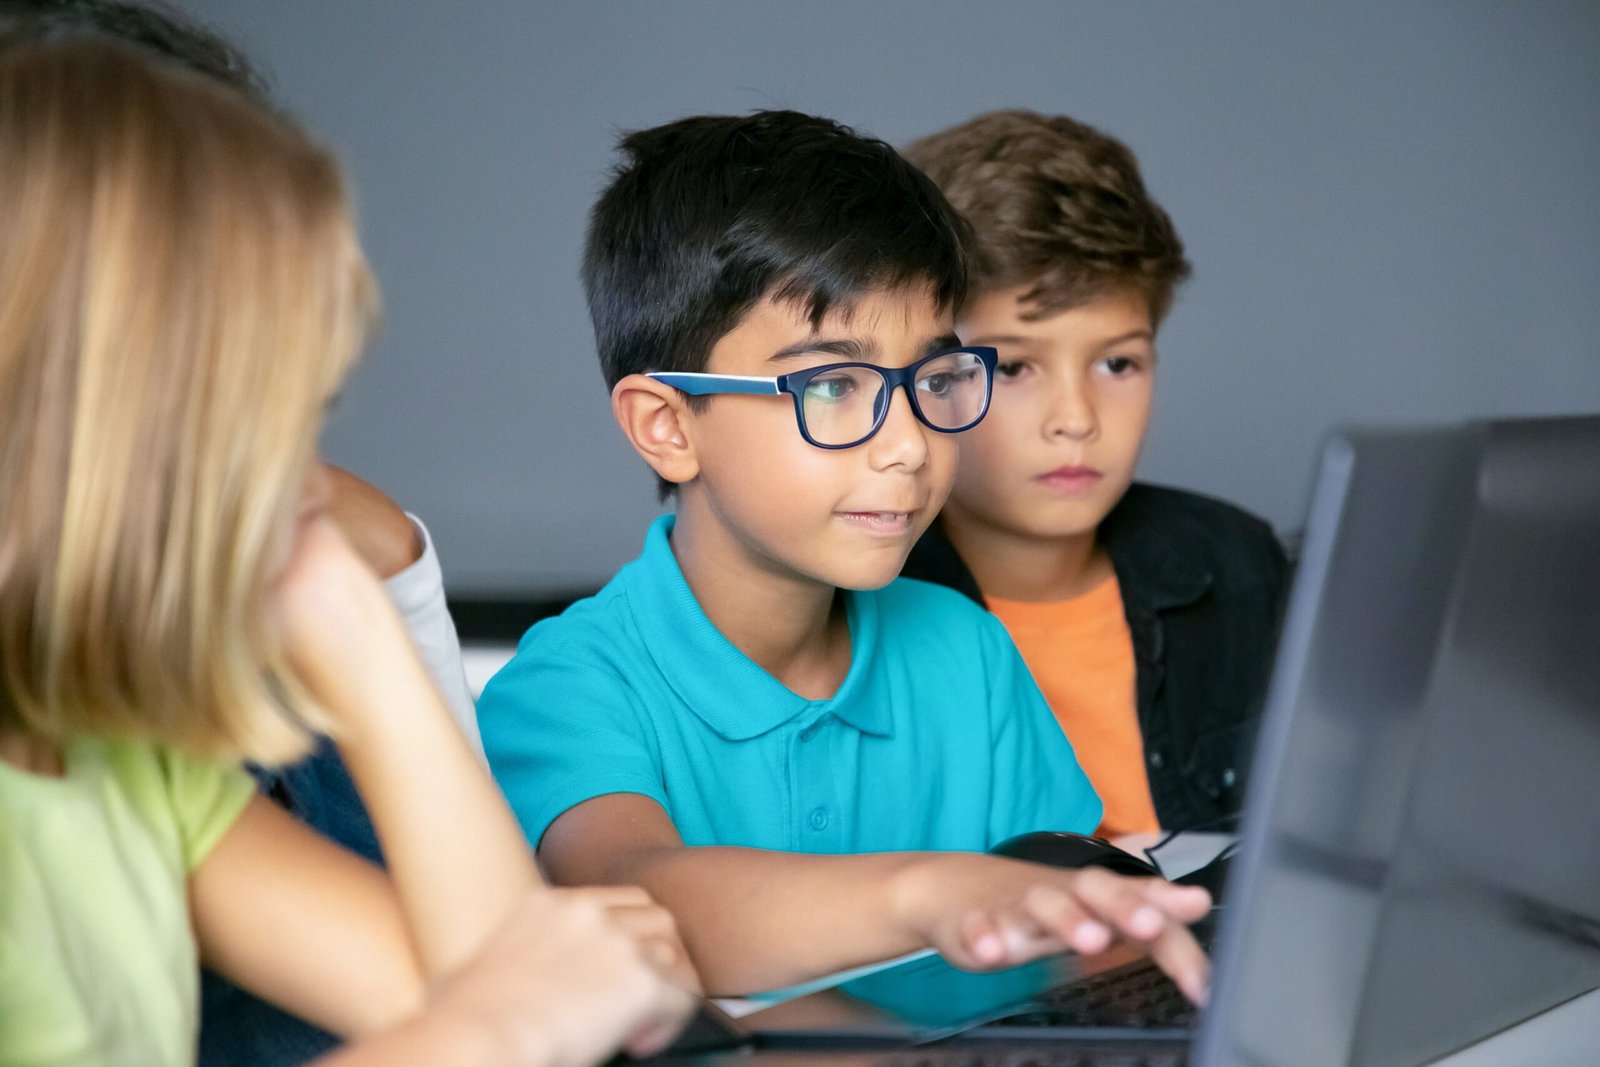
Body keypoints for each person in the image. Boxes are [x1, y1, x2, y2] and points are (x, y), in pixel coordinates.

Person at [0, 32, 690, 1065]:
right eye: (267, 415)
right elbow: (508, 1013)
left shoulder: (134, 766)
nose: (306, 478)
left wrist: (366, 640)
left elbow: (527, 1003)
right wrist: (502, 1020)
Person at [477, 110, 1213, 1004]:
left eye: (934, 379)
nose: (906, 443)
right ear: (668, 426)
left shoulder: (965, 650)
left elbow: (1061, 936)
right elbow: (637, 898)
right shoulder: (570, 684)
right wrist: (927, 890)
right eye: (832, 385)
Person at [900, 110, 1291, 837]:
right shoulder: (862, 612)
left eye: (1118, 363)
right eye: (1014, 366)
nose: (1076, 418)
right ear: (919, 375)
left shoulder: (1238, 566)